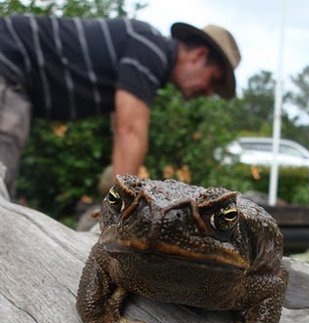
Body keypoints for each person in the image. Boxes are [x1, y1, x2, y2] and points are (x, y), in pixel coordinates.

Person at [0, 15, 241, 198]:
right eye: (213, 80)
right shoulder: (150, 49)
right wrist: (125, 211)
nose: (209, 92)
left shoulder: (146, 55)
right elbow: (130, 131)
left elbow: (120, 129)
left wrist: (116, 195)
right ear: (198, 56)